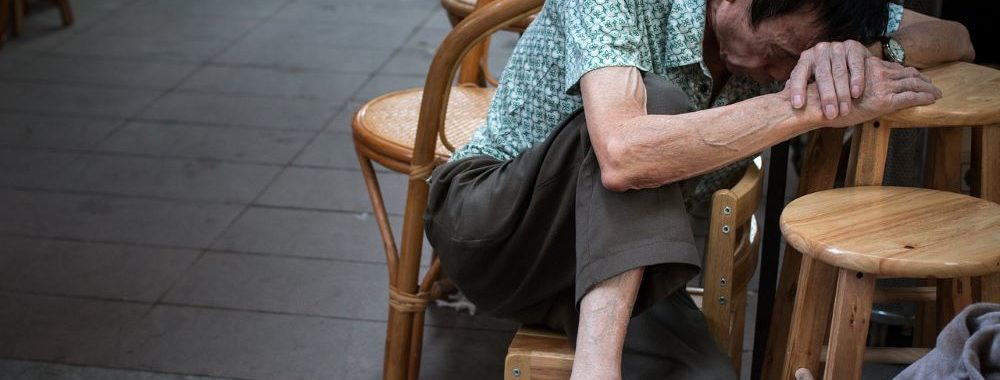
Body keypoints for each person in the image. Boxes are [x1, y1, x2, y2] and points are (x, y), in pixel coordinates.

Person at [423, 0, 975, 378]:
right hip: (490, 227)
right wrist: (801, 108)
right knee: (654, 108)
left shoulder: (817, 16)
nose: (783, 72)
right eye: (783, 52)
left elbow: (957, 37)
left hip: (608, 266)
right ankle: (597, 367)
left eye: (799, 62)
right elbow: (622, 154)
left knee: (707, 374)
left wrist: (860, 61)